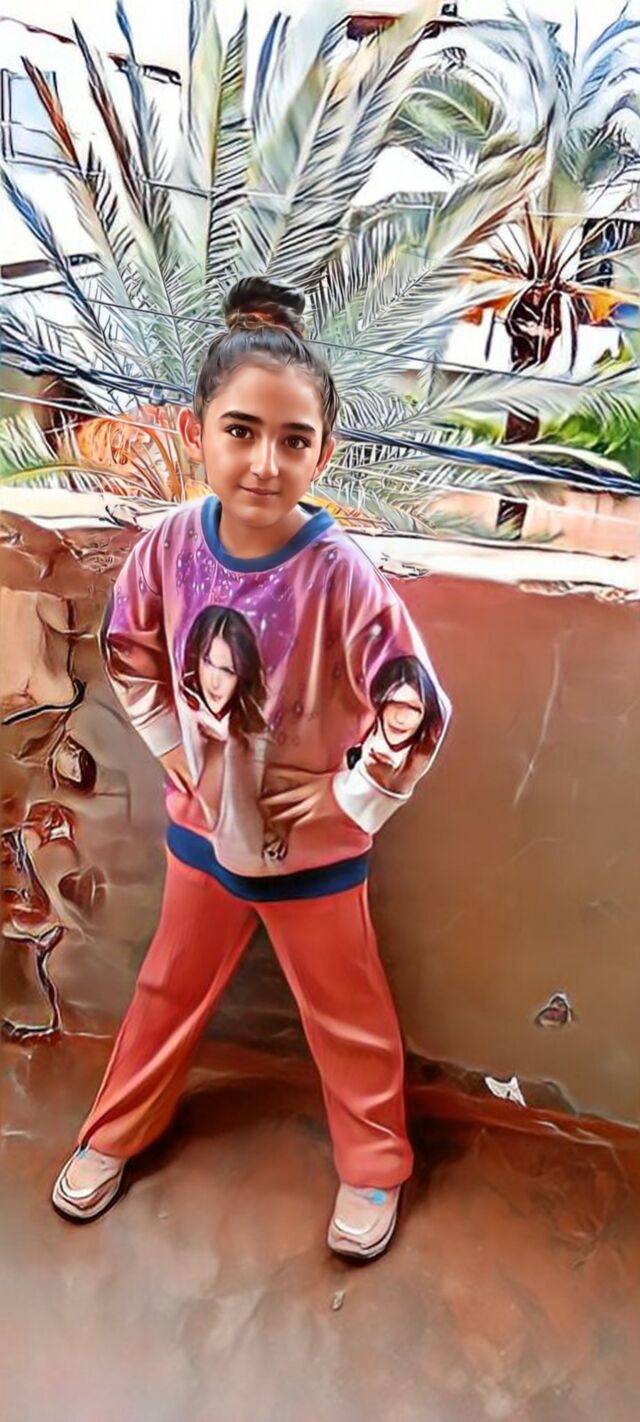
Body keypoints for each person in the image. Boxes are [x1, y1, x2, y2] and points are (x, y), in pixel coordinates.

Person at [52, 276, 451, 1260]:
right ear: (197, 432)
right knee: (166, 992)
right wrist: (179, 754)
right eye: (241, 431)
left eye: (293, 440)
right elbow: (129, 649)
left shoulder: (339, 573)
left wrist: (349, 791)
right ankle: (115, 1134)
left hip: (312, 854)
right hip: (200, 833)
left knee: (347, 1012)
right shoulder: (168, 546)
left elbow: (416, 701)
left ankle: (374, 1164)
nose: (265, 462)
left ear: (324, 452)